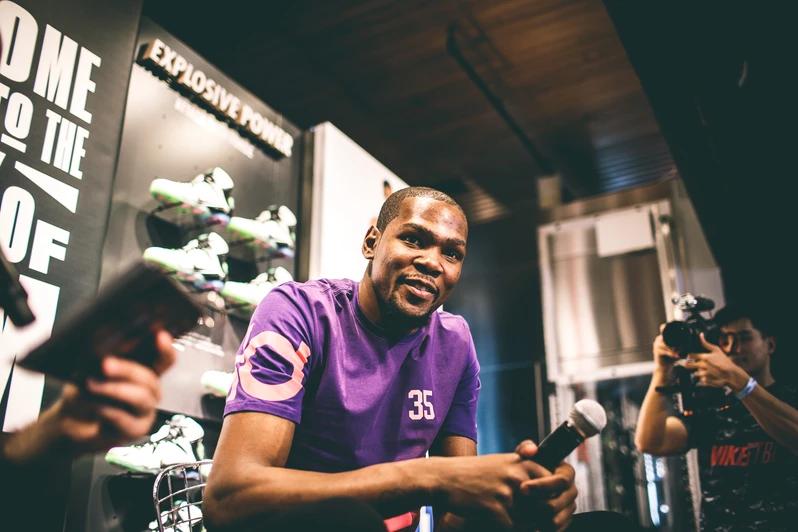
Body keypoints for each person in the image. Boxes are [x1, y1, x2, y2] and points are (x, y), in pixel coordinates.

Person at [205, 187, 579, 531]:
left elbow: (454, 519)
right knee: (352, 523)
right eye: (414, 239)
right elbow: (228, 499)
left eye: (451, 253)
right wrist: (429, 478)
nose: (432, 262)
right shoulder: (299, 312)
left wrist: (517, 502)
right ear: (372, 242)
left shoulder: (455, 343)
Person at [635, 304, 798, 531]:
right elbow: (651, 441)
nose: (732, 348)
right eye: (725, 339)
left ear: (770, 344)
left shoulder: (790, 398)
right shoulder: (713, 407)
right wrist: (662, 371)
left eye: (744, 338)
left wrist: (739, 382)